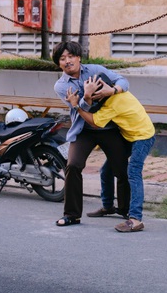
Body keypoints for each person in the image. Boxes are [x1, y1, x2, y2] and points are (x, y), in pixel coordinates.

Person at [52, 41, 130, 227]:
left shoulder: (94, 69)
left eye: (71, 56)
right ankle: (72, 214)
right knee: (73, 165)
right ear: (59, 64)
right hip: (84, 129)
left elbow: (123, 81)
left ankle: (125, 210)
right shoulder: (61, 86)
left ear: (79, 58)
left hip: (109, 128)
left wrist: (113, 89)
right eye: (62, 59)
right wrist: (86, 97)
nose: (67, 61)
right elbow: (81, 108)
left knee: (121, 169)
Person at [66, 74, 155, 233]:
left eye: (93, 95)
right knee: (106, 170)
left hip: (142, 137)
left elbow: (94, 122)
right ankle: (108, 207)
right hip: (130, 134)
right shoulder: (116, 92)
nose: (91, 99)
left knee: (133, 172)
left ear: (101, 94)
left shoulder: (113, 104)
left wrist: (76, 106)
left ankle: (135, 218)